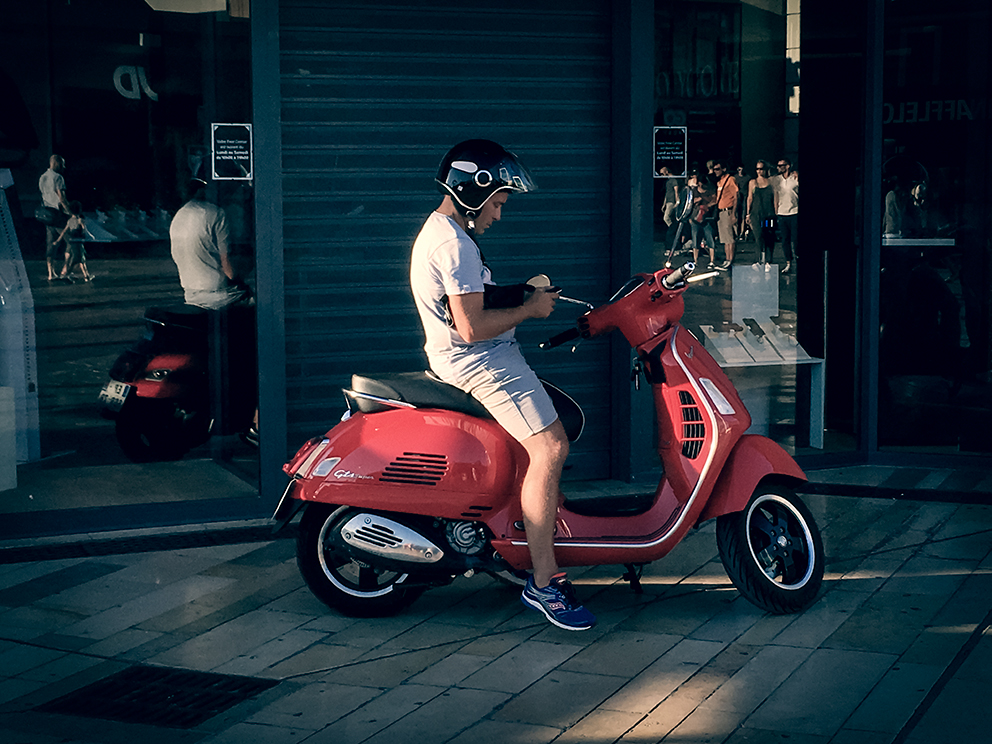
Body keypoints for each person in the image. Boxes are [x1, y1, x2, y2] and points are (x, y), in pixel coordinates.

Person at [409, 139, 596, 631]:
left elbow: (472, 296)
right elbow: (470, 327)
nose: (499, 213)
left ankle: (525, 532)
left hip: (478, 356)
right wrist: (531, 310)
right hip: (480, 361)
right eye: (497, 203)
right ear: (474, 191)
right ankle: (543, 581)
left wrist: (522, 292)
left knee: (546, 438)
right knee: (551, 446)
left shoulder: (444, 233)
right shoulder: (454, 244)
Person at [170, 174, 257, 441]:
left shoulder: (178, 217)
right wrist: (245, 282)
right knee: (261, 344)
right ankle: (255, 417)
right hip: (220, 297)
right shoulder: (215, 214)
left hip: (192, 296)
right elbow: (228, 265)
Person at [38, 154, 70, 281]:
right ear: (57, 163)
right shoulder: (58, 178)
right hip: (58, 213)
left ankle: (51, 273)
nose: (64, 167)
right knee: (71, 241)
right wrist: (70, 212)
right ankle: (66, 269)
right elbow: (61, 198)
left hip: (47, 213)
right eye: (62, 164)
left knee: (50, 243)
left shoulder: (42, 177)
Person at [746, 160, 778, 270]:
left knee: (769, 236)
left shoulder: (771, 182)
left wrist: (776, 212)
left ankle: (769, 260)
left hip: (769, 213)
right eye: (757, 169)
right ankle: (757, 259)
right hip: (756, 213)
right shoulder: (752, 182)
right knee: (758, 236)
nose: (759, 171)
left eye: (761, 169)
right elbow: (749, 198)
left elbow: (775, 198)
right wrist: (747, 214)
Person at [53, 201, 93, 281]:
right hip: (78, 242)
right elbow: (84, 230)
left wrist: (57, 240)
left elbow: (64, 231)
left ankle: (86, 276)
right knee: (78, 259)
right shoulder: (80, 220)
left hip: (72, 242)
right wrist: (90, 236)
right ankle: (67, 275)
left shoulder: (70, 221)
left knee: (81, 259)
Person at [686, 171, 717, 269]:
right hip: (695, 219)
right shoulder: (693, 191)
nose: (703, 185)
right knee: (695, 239)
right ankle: (695, 261)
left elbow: (715, 200)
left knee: (710, 239)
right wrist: (696, 201)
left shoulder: (710, 190)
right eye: (702, 183)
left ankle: (712, 261)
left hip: (707, 219)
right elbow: (689, 203)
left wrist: (706, 205)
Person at [711, 159, 738, 270]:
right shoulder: (719, 182)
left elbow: (736, 196)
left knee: (730, 237)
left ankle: (730, 260)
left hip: (728, 210)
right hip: (720, 211)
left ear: (724, 169)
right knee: (724, 237)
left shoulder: (730, 180)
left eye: (717, 169)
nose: (715, 171)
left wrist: (733, 213)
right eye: (714, 169)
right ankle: (727, 259)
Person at [774, 157, 799, 274]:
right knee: (785, 240)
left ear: (788, 166)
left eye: (781, 165)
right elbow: (776, 195)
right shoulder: (777, 180)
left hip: (795, 211)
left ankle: (798, 260)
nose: (779, 167)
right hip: (782, 212)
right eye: (778, 165)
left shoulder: (795, 177)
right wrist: (776, 211)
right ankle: (788, 262)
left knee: (796, 239)